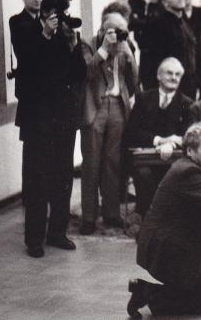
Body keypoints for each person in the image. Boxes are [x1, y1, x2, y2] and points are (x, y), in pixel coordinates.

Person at [127, 123, 201, 318]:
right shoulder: (188, 172)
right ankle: (149, 293)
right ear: (190, 150)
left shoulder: (187, 167)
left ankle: (147, 290)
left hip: (169, 247)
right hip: (167, 252)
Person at [18, 0, 87, 258]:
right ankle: (34, 238)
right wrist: (46, 36)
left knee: (63, 177)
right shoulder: (29, 33)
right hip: (40, 120)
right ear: (47, 13)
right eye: (59, 13)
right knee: (38, 179)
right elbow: (30, 67)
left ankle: (57, 232)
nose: (63, 19)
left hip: (64, 119)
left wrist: (73, 46)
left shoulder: (68, 37)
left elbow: (80, 74)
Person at [80, 13, 138, 235]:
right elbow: (87, 72)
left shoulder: (125, 46)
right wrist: (104, 49)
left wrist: (129, 54)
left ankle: (111, 213)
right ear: (102, 28)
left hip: (118, 106)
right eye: (113, 29)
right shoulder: (88, 44)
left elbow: (134, 81)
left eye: (122, 29)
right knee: (91, 163)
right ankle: (88, 217)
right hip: (96, 106)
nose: (117, 34)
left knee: (113, 162)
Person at [124, 58, 194, 218]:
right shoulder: (143, 99)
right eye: (169, 73)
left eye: (178, 74)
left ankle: (169, 218)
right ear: (159, 76)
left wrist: (173, 144)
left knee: (178, 174)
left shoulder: (187, 103)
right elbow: (132, 131)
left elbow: (188, 135)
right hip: (145, 158)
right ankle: (148, 217)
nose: (174, 77)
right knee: (144, 174)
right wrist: (159, 141)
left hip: (174, 159)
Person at [145, 0, 201, 98]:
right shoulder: (158, 24)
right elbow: (153, 61)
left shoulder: (185, 23)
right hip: (169, 87)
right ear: (165, 3)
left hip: (189, 86)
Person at [9, 0, 44, 131]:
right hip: (29, 90)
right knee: (32, 140)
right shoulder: (16, 21)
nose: (37, 0)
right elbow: (24, 53)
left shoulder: (44, 20)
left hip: (47, 89)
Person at [128, 0, 163, 91]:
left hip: (158, 49)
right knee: (144, 83)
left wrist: (140, 21)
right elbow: (130, 24)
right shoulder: (133, 2)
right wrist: (148, 23)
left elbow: (159, 27)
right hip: (141, 49)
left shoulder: (162, 3)